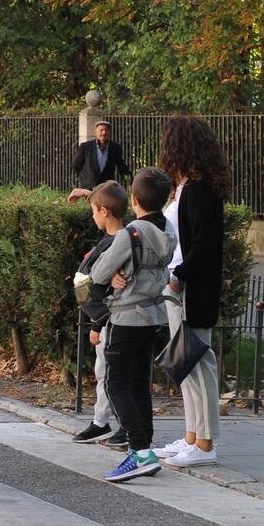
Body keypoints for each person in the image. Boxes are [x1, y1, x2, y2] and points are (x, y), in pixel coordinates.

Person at [87, 167, 176, 483]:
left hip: (126, 317)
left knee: (115, 383)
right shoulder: (169, 232)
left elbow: (98, 273)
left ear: (134, 199)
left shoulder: (130, 234)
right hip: (154, 316)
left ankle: (139, 451)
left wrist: (112, 272)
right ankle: (144, 448)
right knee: (139, 382)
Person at [153, 115, 230, 468]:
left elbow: (204, 246)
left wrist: (178, 276)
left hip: (190, 287)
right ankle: (191, 436)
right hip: (179, 283)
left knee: (199, 363)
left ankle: (205, 442)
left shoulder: (199, 190)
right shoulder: (185, 187)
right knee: (186, 364)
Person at [71, 181, 129, 447]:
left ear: (104, 212)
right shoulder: (113, 238)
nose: (92, 215)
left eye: (94, 210)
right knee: (105, 373)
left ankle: (117, 424)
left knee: (110, 375)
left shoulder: (116, 244)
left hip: (107, 321)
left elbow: (104, 289)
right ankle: (103, 420)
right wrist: (89, 195)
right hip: (103, 319)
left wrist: (97, 323)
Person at [67, 119, 131, 203]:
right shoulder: (85, 147)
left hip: (106, 188)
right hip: (87, 187)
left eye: (106, 130)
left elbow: (121, 166)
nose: (104, 132)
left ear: (110, 132)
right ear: (96, 132)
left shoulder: (115, 148)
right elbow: (75, 165)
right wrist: (85, 177)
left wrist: (130, 182)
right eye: (101, 130)